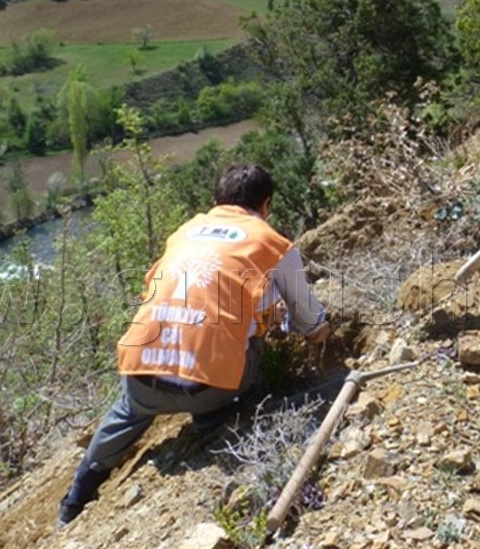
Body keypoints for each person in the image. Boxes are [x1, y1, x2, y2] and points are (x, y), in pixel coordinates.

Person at [59, 164, 330, 527]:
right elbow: (310, 321)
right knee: (255, 327)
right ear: (265, 205)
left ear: (215, 202)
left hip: (140, 376)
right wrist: (315, 334)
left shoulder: (182, 233)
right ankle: (215, 418)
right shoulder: (271, 244)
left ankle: (75, 499)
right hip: (209, 389)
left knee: (127, 410)